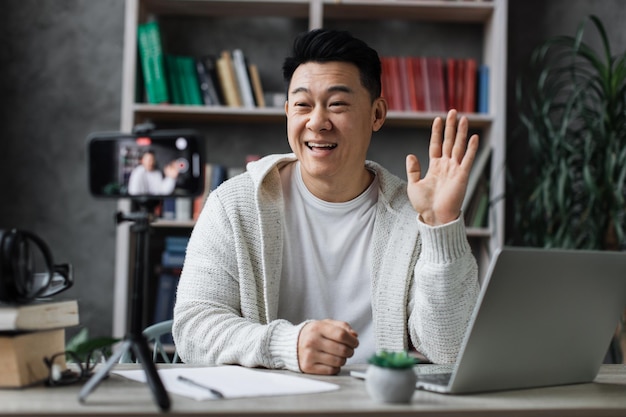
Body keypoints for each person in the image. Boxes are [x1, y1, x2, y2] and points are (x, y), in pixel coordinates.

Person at [173, 28, 480, 375]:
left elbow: (449, 348)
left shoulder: (413, 217)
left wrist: (441, 227)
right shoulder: (234, 205)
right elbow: (193, 329)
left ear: (377, 114)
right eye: (303, 105)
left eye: (337, 105)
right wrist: (287, 345)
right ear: (288, 112)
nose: (317, 122)